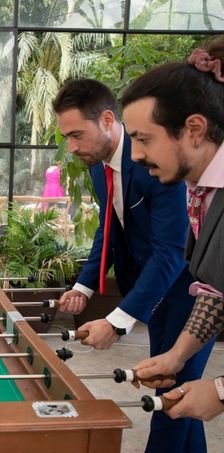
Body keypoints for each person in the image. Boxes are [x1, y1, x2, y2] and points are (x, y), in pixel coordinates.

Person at [53, 79, 213, 453]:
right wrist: (83, 286)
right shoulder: (98, 166)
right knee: (178, 380)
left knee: (170, 387)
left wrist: (118, 321)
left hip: (189, 291)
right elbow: (110, 229)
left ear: (108, 120)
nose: (71, 146)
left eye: (77, 134)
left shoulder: (162, 166)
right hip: (153, 288)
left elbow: (170, 253)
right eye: (66, 137)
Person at [122, 41, 224, 429]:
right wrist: (178, 356)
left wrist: (219, 390)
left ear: (194, 130)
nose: (133, 154)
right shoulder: (199, 190)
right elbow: (216, 288)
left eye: (144, 138)